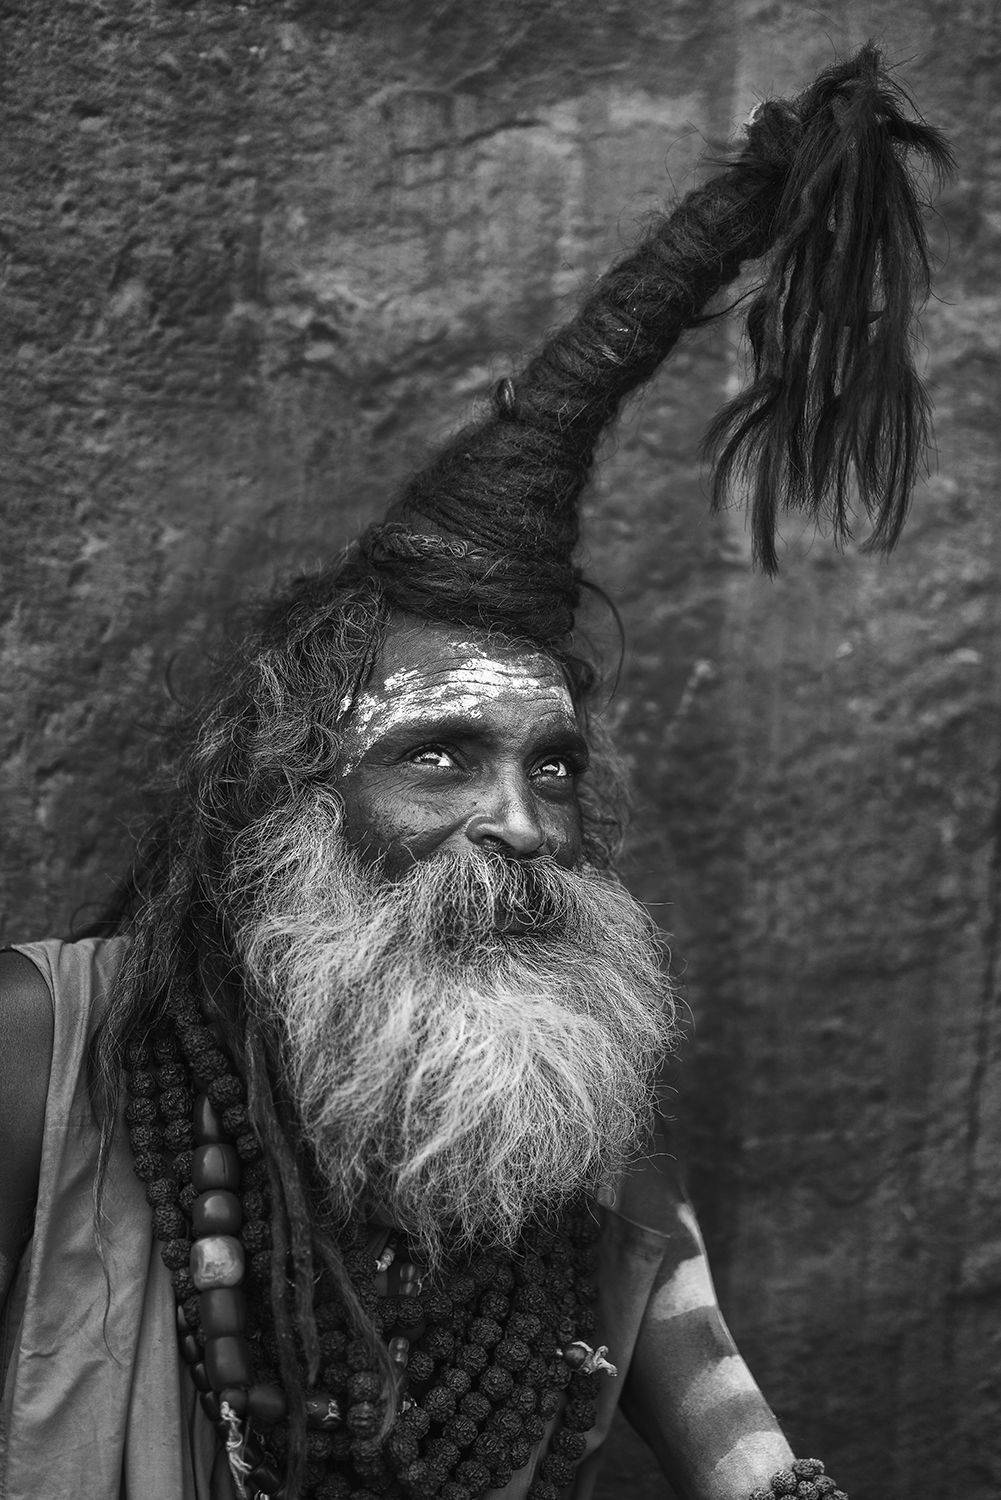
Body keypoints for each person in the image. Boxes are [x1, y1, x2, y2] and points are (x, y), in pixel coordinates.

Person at [0, 45, 950, 1500]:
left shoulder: (575, 1151)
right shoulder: (39, 1059)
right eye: (438, 755)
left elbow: (751, 1463)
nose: (520, 823)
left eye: (554, 768)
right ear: (289, 806)